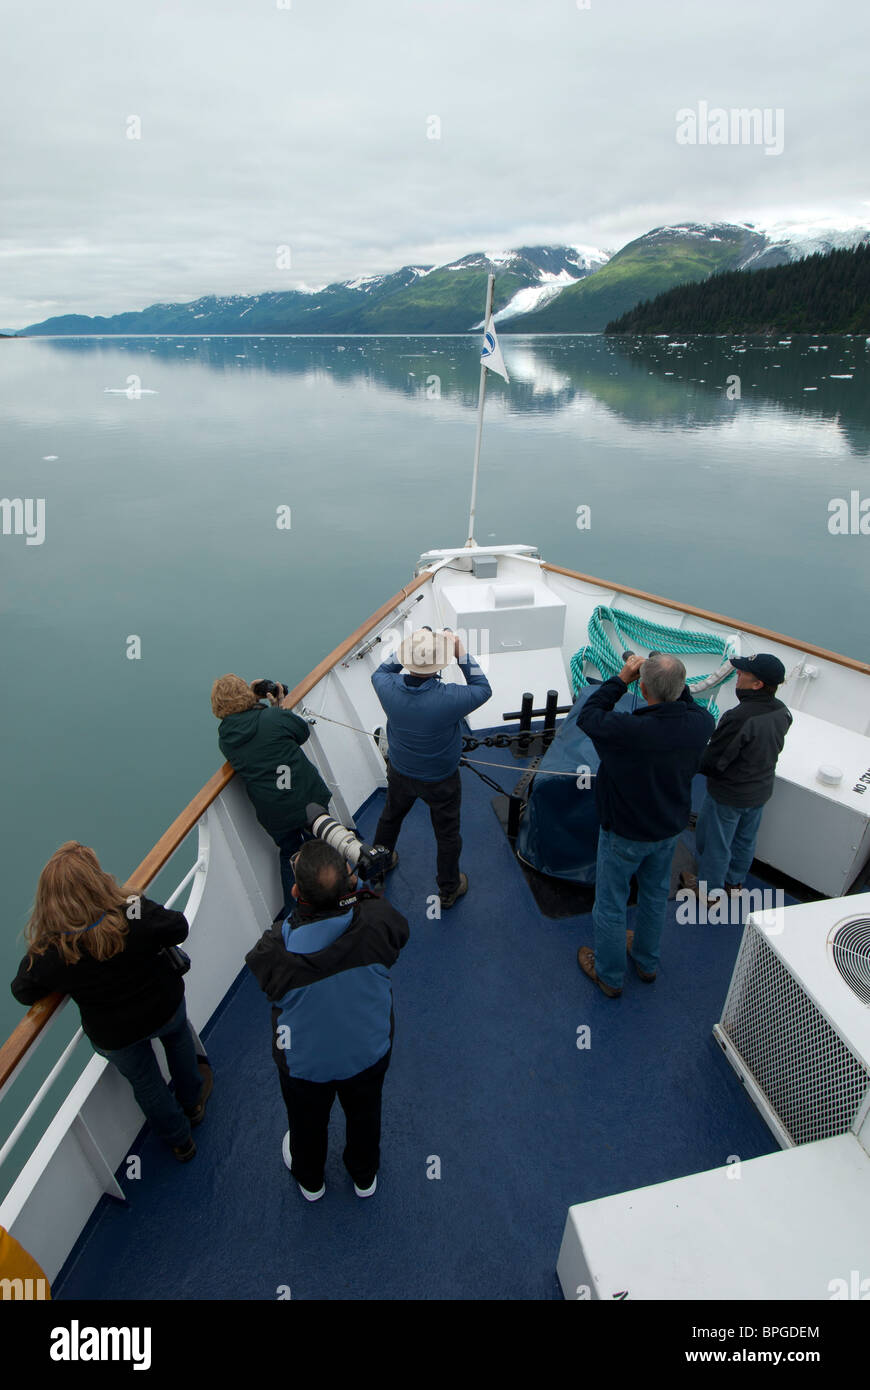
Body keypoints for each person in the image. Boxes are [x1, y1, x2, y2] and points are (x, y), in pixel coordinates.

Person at [11, 842, 212, 1162]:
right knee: (179, 1044)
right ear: (98, 879)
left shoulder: (54, 952)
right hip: (164, 1007)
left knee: (146, 1084)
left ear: (49, 901)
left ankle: (180, 1142)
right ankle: (194, 1105)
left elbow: (23, 990)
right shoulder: (133, 912)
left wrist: (47, 937)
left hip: (116, 1036)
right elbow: (178, 927)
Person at [245, 839, 409, 1201]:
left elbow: (263, 975)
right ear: (350, 885)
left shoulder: (274, 950)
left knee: (307, 1122)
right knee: (365, 1114)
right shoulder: (376, 921)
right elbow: (400, 935)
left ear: (295, 891)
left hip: (305, 1067)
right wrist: (361, 895)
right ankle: (364, 1177)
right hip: (368, 1052)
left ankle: (311, 1182)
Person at [575, 653, 715, 997]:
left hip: (624, 831)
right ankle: (646, 963)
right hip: (668, 830)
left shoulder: (629, 730)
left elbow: (589, 715)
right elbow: (686, 703)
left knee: (610, 903)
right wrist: (667, 681)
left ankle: (609, 976)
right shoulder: (701, 724)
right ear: (681, 688)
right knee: (653, 896)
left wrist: (622, 677)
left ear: (643, 688)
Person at [371, 629, 492, 909]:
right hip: (441, 780)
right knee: (447, 834)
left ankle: (380, 863)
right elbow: (482, 687)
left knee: (390, 818)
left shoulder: (384, 685)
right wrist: (459, 649)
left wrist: (411, 646)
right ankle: (449, 888)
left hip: (400, 771)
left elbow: (384, 668)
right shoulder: (450, 698)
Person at [212, 673, 332, 914]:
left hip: (273, 812)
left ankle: (295, 913)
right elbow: (301, 733)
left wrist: (261, 708)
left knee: (290, 854)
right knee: (321, 845)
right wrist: (276, 708)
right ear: (247, 695)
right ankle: (337, 895)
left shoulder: (225, 738)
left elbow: (255, 739)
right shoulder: (273, 717)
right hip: (306, 798)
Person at [685, 654, 791, 900]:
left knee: (716, 841)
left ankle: (708, 892)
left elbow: (714, 761)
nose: (738, 676)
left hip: (729, 794)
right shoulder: (783, 712)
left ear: (757, 685)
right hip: (760, 790)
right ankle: (734, 884)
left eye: (743, 674)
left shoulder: (739, 717)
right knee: (745, 839)